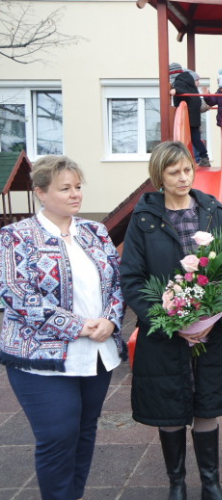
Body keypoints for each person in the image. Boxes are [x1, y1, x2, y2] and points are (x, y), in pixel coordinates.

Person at [0, 155, 126, 500]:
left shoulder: (94, 231)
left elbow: (117, 283)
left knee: (84, 434)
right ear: (41, 192)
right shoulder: (15, 236)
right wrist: (79, 326)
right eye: (65, 188)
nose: (75, 195)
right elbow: (16, 295)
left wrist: (111, 319)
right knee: (58, 437)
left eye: (78, 187)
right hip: (41, 359)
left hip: (96, 354)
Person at [120, 141, 222, 500]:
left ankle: (211, 482)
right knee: (169, 406)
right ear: (160, 176)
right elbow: (132, 278)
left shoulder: (212, 211)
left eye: (187, 169)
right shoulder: (143, 220)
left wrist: (210, 318)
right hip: (164, 332)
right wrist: (167, 317)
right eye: (174, 172)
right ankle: (177, 483)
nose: (184, 177)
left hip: (210, 332)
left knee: (207, 402)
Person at [169, 62, 210, 167]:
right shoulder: (188, 79)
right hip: (193, 112)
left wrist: (175, 90)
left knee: (187, 138)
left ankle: (189, 158)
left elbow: (182, 91)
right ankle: (203, 157)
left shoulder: (179, 82)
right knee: (195, 138)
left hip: (188, 114)